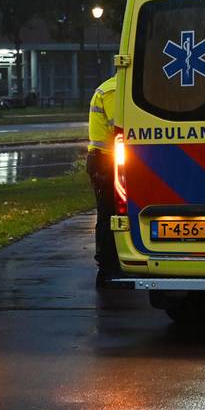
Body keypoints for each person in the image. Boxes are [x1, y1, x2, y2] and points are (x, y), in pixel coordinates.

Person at [87, 74, 120, 286]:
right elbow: (122, 127)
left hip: (105, 160)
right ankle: (107, 265)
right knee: (109, 214)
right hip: (105, 162)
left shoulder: (110, 87)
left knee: (110, 212)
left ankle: (110, 262)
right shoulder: (114, 91)